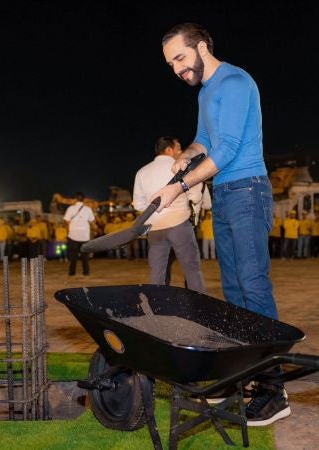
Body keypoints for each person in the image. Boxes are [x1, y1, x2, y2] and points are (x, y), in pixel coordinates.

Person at [156, 23, 287, 425]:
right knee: (233, 293)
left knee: (253, 287)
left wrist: (179, 185)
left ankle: (272, 390)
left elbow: (228, 149)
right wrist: (187, 155)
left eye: (180, 57)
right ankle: (242, 377)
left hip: (247, 190)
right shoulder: (206, 92)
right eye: (170, 64)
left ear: (202, 46)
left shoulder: (232, 81)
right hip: (226, 197)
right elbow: (204, 139)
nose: (177, 69)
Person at [133, 136, 206, 293]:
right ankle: (200, 307)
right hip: (179, 224)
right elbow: (195, 195)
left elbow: (139, 205)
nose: (181, 152)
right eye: (178, 148)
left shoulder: (141, 172)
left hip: (154, 228)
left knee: (157, 273)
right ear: (169, 150)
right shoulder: (180, 166)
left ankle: (157, 306)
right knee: (191, 269)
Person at [63, 192, 95, 276]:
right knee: (85, 256)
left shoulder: (70, 208)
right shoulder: (88, 209)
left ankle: (72, 272)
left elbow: (66, 221)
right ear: (83, 199)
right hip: (85, 236)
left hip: (73, 236)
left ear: (75, 199)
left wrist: (68, 231)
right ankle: (86, 272)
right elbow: (92, 221)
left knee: (73, 256)